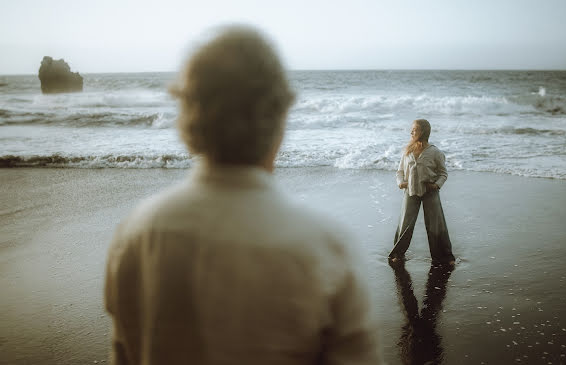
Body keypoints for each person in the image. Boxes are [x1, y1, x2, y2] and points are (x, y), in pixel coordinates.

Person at [104, 26, 383, 365]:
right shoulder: (325, 247)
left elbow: (123, 353)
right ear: (278, 114)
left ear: (189, 118)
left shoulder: (136, 232)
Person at [389, 119, 455, 264]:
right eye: (411, 129)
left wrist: (437, 185)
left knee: (435, 225)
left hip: (430, 192)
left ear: (423, 131)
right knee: (405, 224)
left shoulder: (435, 152)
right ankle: (397, 254)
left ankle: (443, 257)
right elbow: (399, 171)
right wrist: (401, 183)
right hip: (410, 191)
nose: (411, 132)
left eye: (414, 129)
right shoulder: (408, 151)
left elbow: (443, 173)